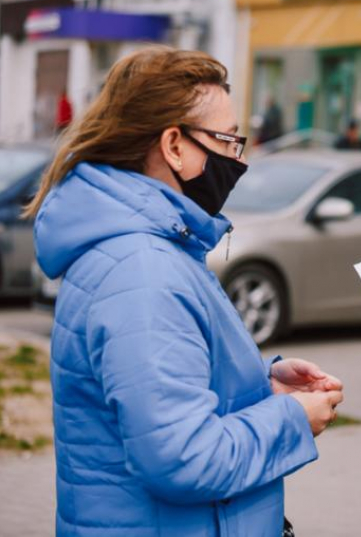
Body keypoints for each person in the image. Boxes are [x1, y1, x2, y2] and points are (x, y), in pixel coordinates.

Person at [24, 47, 344, 537]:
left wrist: (262, 384)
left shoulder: (151, 249)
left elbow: (154, 385)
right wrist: (291, 420)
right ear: (174, 145)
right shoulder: (141, 273)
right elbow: (183, 458)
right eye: (227, 140)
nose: (236, 160)